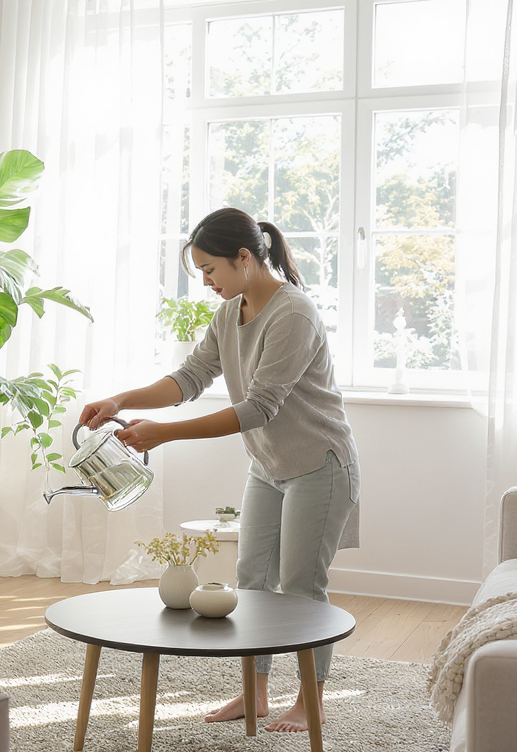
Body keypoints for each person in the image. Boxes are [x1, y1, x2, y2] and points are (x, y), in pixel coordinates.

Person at [79, 207, 360, 734]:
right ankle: (255, 694)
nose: (206, 282)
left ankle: (310, 701)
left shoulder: (293, 314)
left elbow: (259, 408)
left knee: (301, 588)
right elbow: (188, 378)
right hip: (268, 465)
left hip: (318, 465)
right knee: (251, 582)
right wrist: (119, 398)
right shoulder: (229, 314)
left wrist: (164, 433)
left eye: (210, 270)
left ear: (244, 257)